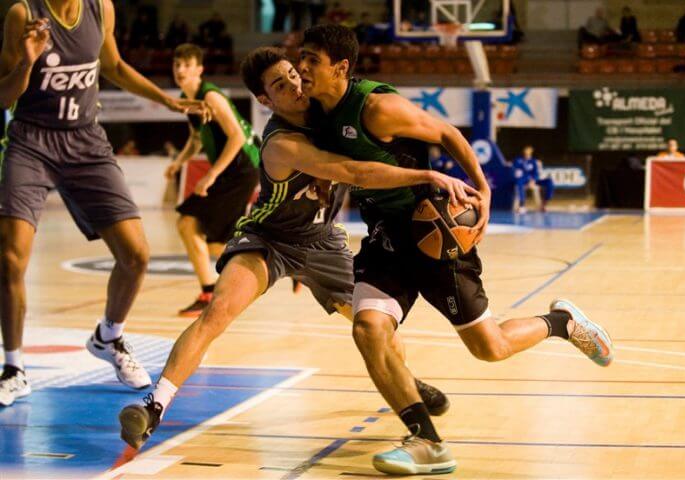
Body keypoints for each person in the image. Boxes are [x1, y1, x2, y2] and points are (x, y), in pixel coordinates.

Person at [298, 24, 614, 475]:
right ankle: (426, 440)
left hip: (432, 234)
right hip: (385, 236)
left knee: (490, 347)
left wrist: (483, 189)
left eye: (312, 59)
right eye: (301, 58)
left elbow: (446, 133)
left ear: (340, 68)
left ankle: (560, 323)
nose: (302, 67)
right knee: (369, 329)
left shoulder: (377, 108)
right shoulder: (314, 113)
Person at [117, 46, 470, 449]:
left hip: (321, 242)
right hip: (271, 239)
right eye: (280, 86)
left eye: (294, 76)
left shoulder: (326, 111)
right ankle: (153, 407)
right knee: (217, 311)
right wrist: (424, 174)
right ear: (265, 100)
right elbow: (351, 171)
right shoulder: (281, 142)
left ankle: (406, 382)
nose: (295, 87)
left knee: (377, 324)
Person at [0, 0, 206, 407]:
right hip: (31, 141)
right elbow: (5, 97)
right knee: (10, 259)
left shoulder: (102, 8)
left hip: (85, 139)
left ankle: (108, 337)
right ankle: (13, 367)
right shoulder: (23, 14)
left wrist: (168, 101)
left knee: (136, 254)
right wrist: (26, 62)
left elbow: (114, 66)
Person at [167, 44, 260, 317]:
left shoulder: (211, 97)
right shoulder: (189, 99)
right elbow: (196, 139)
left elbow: (238, 137)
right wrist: (179, 162)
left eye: (186, 65)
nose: (180, 70)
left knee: (188, 223)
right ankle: (282, 267)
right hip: (232, 170)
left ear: (199, 69)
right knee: (213, 241)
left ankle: (209, 291)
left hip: (241, 167)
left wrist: (210, 174)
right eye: (176, 65)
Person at [512, 145, 554, 213]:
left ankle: (544, 204)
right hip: (523, 181)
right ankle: (522, 205)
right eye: (526, 152)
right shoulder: (518, 160)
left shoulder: (533, 161)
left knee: (549, 181)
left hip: (533, 181)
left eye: (529, 152)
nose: (527, 153)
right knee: (519, 182)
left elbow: (536, 173)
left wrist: (533, 180)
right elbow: (516, 173)